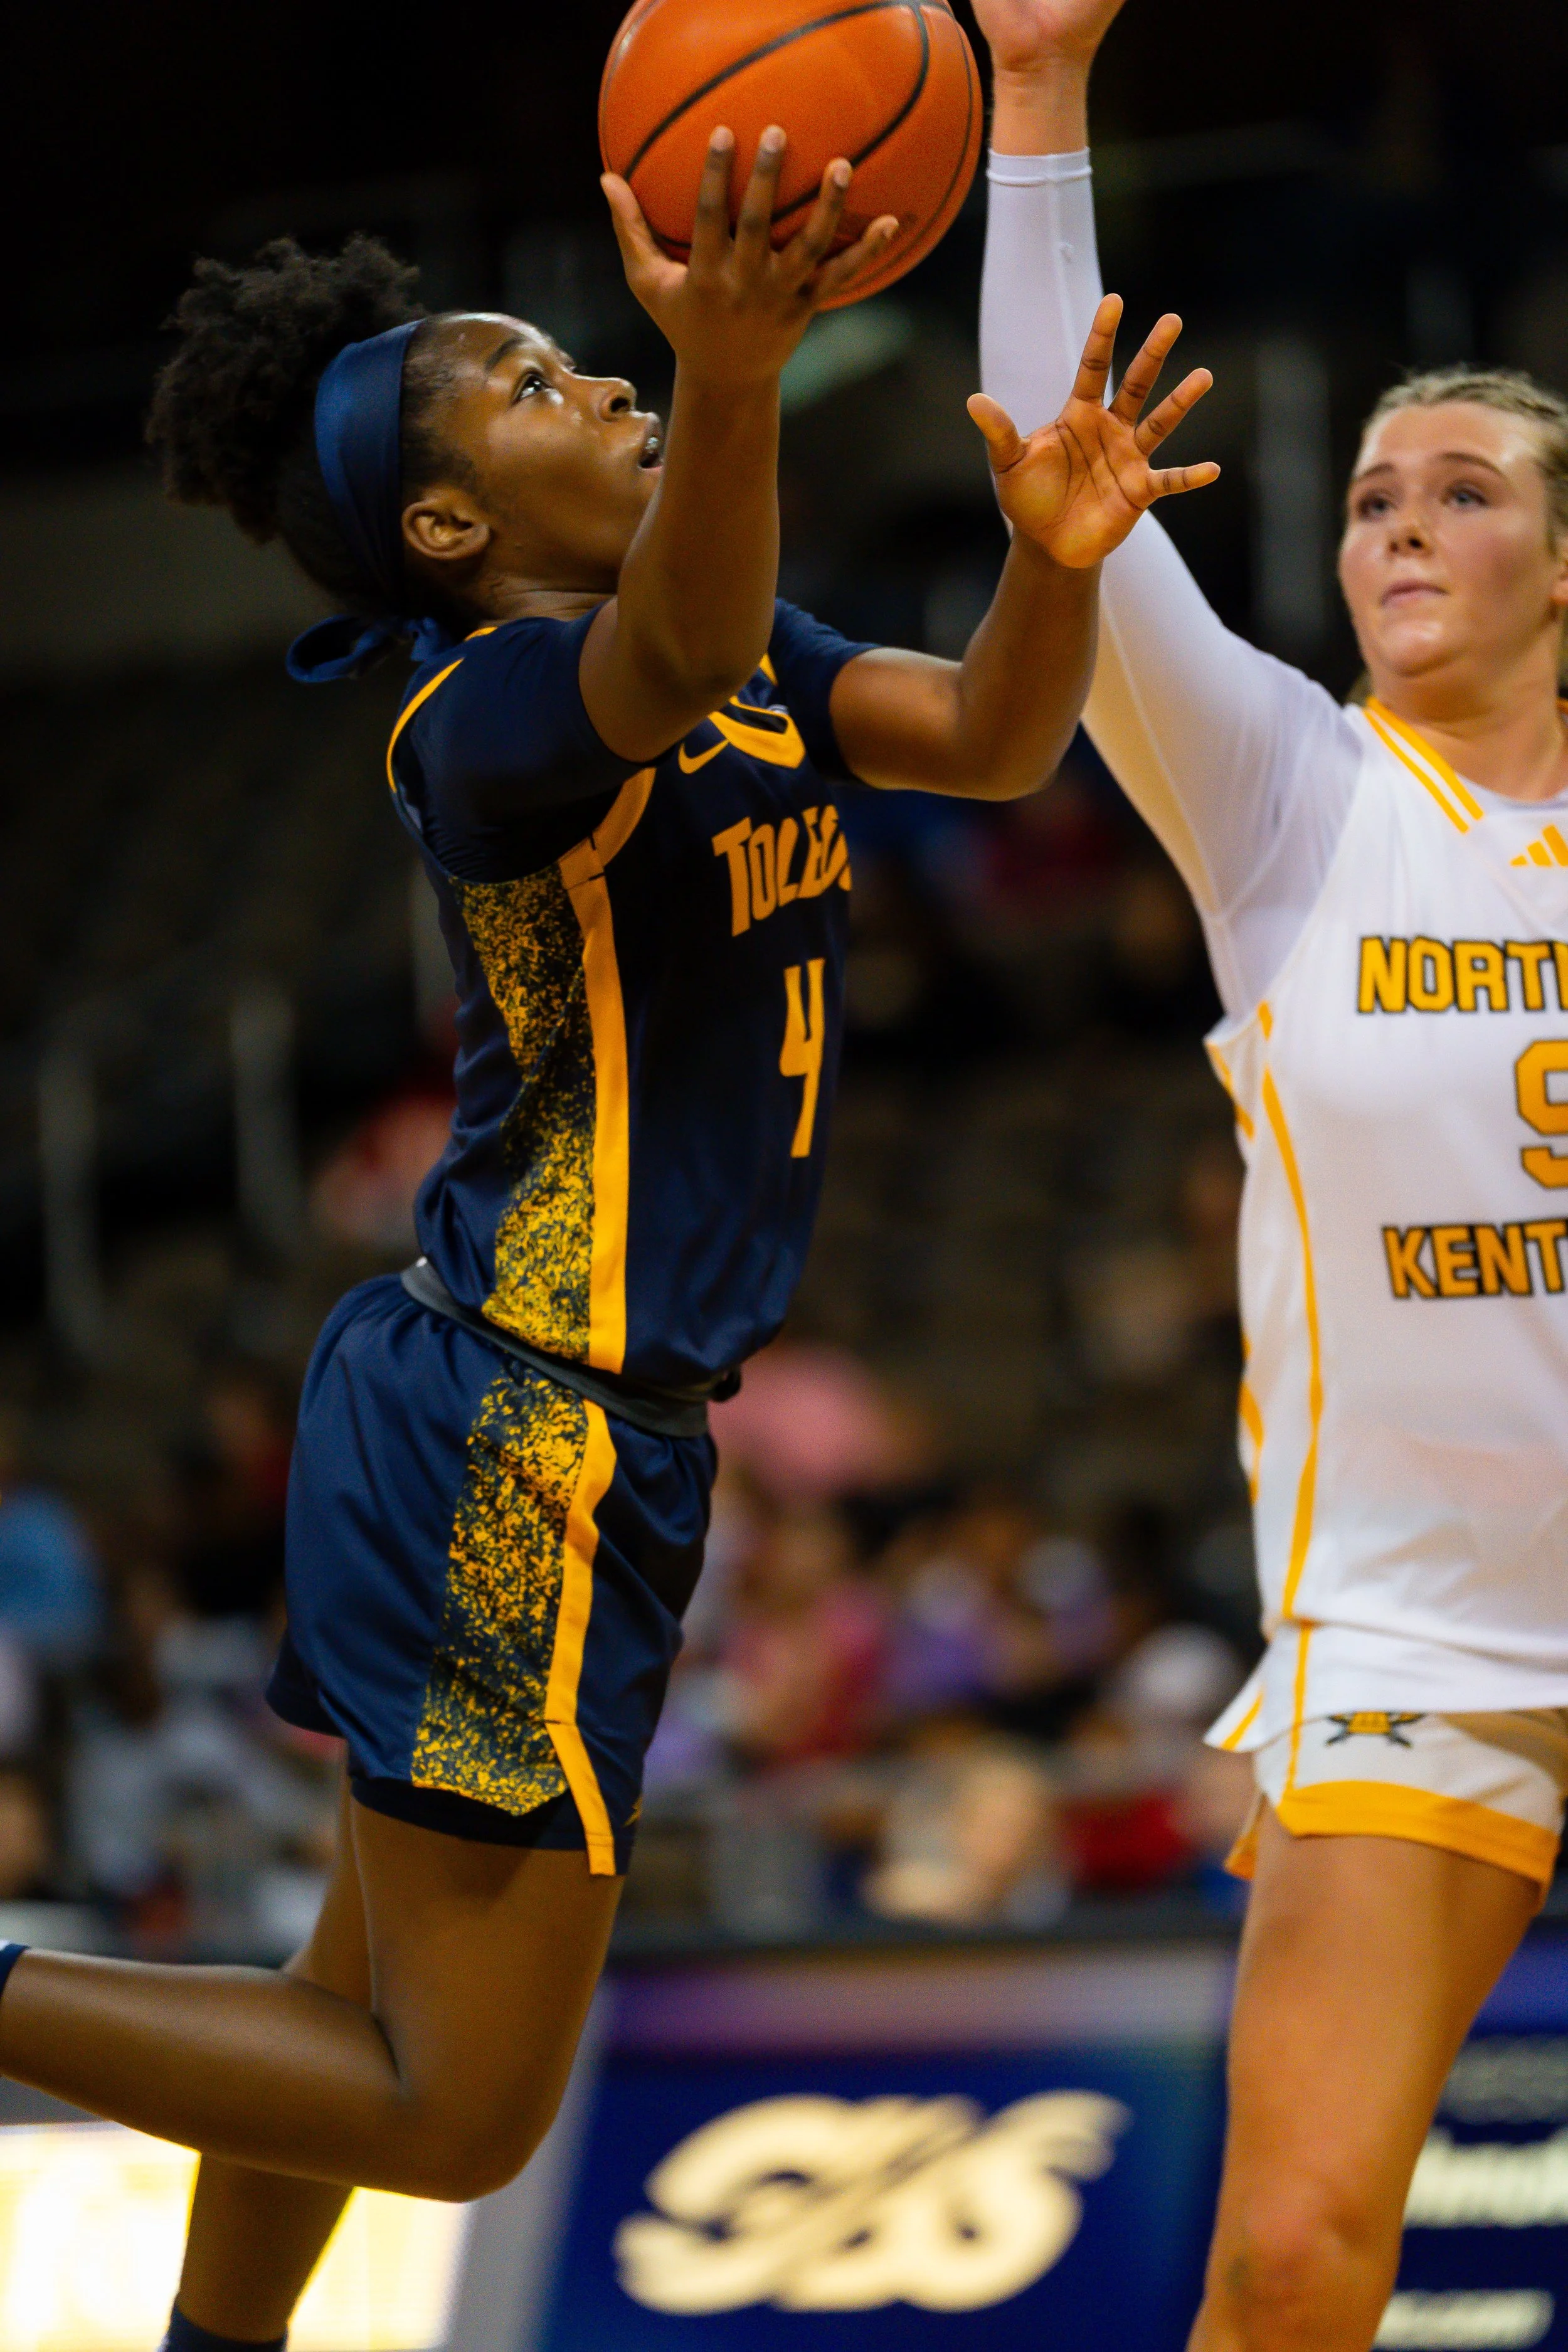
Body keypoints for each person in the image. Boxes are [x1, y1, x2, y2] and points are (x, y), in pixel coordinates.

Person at [0, 125, 1216, 2352]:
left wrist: (1053, 563)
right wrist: (739, 369)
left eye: (606, 368)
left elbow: (987, 731)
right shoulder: (487, 723)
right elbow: (657, 645)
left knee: (344, 1993)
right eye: (547, 383)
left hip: (526, 1410)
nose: (617, 388)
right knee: (453, 2112)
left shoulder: (752, 663)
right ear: (450, 529)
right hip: (514, 1434)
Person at [972, 1, 1568, 2344]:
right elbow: (1066, 495)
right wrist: (1030, 90)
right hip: (1415, 1638)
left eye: (1463, 490)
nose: (1397, 523)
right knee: (1296, 2250)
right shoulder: (1293, 798)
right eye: (1366, 497)